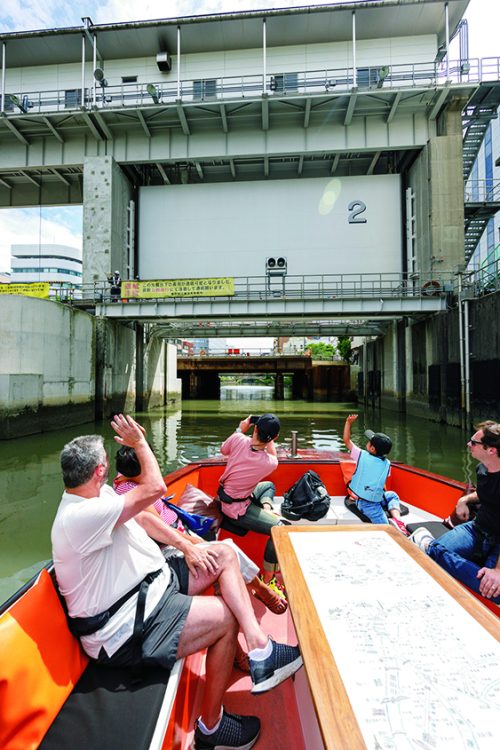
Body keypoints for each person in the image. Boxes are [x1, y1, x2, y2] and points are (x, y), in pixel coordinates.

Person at [51, 414, 303, 750]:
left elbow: (143, 516)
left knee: (222, 555)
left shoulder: (100, 497)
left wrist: (187, 546)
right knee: (224, 617)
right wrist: (140, 444)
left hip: (154, 585)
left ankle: (259, 648)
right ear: (100, 470)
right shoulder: (79, 517)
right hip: (126, 625)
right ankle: (212, 727)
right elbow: (155, 488)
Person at [113, 445, 287, 616]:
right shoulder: (132, 492)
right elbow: (162, 531)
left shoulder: (134, 477)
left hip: (182, 528)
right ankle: (261, 589)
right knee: (228, 549)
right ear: (143, 468)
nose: (154, 465)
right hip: (170, 544)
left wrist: (139, 441)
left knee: (223, 552)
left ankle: (245, 596)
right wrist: (196, 543)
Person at [410, 421, 500, 604]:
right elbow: (485, 494)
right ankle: (433, 549)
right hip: (476, 530)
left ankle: (429, 546)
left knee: (496, 594)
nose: (468, 444)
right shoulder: (482, 469)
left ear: (491, 450)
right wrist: (464, 500)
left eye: (473, 442)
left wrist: (498, 572)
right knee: (429, 561)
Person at [217, 414, 286, 589]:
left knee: (267, 485)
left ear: (254, 428)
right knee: (279, 528)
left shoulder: (238, 439)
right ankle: (268, 576)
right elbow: (273, 455)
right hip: (237, 509)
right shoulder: (269, 463)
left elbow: (223, 449)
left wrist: (241, 428)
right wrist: (269, 438)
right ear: (275, 438)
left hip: (230, 497)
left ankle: (266, 506)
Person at [343, 414, 407, 534]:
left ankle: (397, 523)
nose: (367, 442)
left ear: (372, 449)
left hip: (366, 504)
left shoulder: (360, 455)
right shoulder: (387, 464)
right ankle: (397, 519)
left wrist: (348, 423)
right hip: (372, 501)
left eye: (369, 442)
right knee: (392, 496)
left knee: (387, 530)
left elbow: (346, 440)